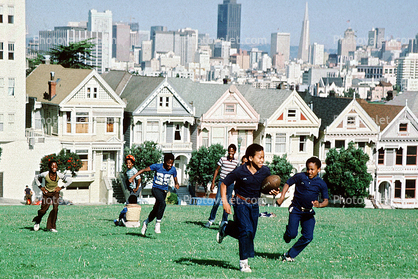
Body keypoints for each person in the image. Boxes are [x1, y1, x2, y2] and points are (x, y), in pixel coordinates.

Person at [216, 143, 279, 273]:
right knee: (245, 231)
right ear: (250, 158)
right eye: (259, 157)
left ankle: (226, 228)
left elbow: (263, 187)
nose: (262, 160)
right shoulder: (240, 171)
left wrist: (272, 191)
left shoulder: (265, 171)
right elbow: (223, 184)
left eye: (263, 157)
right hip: (241, 202)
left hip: (254, 204)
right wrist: (225, 203)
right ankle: (243, 263)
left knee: (250, 234)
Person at [275, 156, 329, 262]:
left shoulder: (321, 183)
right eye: (308, 168)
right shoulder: (300, 176)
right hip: (296, 209)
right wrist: (282, 196)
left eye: (312, 169)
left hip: (308, 213)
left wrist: (320, 205)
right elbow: (288, 183)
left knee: (308, 237)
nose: (309, 171)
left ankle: (290, 255)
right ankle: (288, 233)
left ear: (318, 169)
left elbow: (326, 200)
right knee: (292, 234)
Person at [129, 153, 179, 235]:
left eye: (171, 163)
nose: (170, 165)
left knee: (156, 210)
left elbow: (175, 177)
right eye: (168, 163)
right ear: (164, 161)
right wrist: (133, 177)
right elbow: (144, 170)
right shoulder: (157, 166)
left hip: (164, 191)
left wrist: (176, 183)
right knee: (163, 203)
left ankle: (146, 222)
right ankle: (158, 224)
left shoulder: (173, 169)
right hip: (156, 189)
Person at [205, 144, 239, 228]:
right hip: (222, 182)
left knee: (227, 202)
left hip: (230, 184)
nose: (230, 153)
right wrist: (213, 182)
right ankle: (211, 220)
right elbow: (217, 170)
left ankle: (224, 220)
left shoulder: (236, 162)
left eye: (232, 151)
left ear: (234, 152)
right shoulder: (222, 159)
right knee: (217, 201)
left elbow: (237, 174)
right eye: (229, 151)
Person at [32, 160, 72, 232]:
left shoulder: (59, 175)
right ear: (49, 167)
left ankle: (52, 227)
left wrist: (61, 187)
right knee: (43, 210)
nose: (54, 167)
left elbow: (69, 181)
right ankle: (37, 221)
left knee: (55, 209)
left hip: (55, 193)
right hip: (47, 193)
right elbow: (36, 178)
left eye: (56, 165)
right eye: (52, 166)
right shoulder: (45, 174)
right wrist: (41, 187)